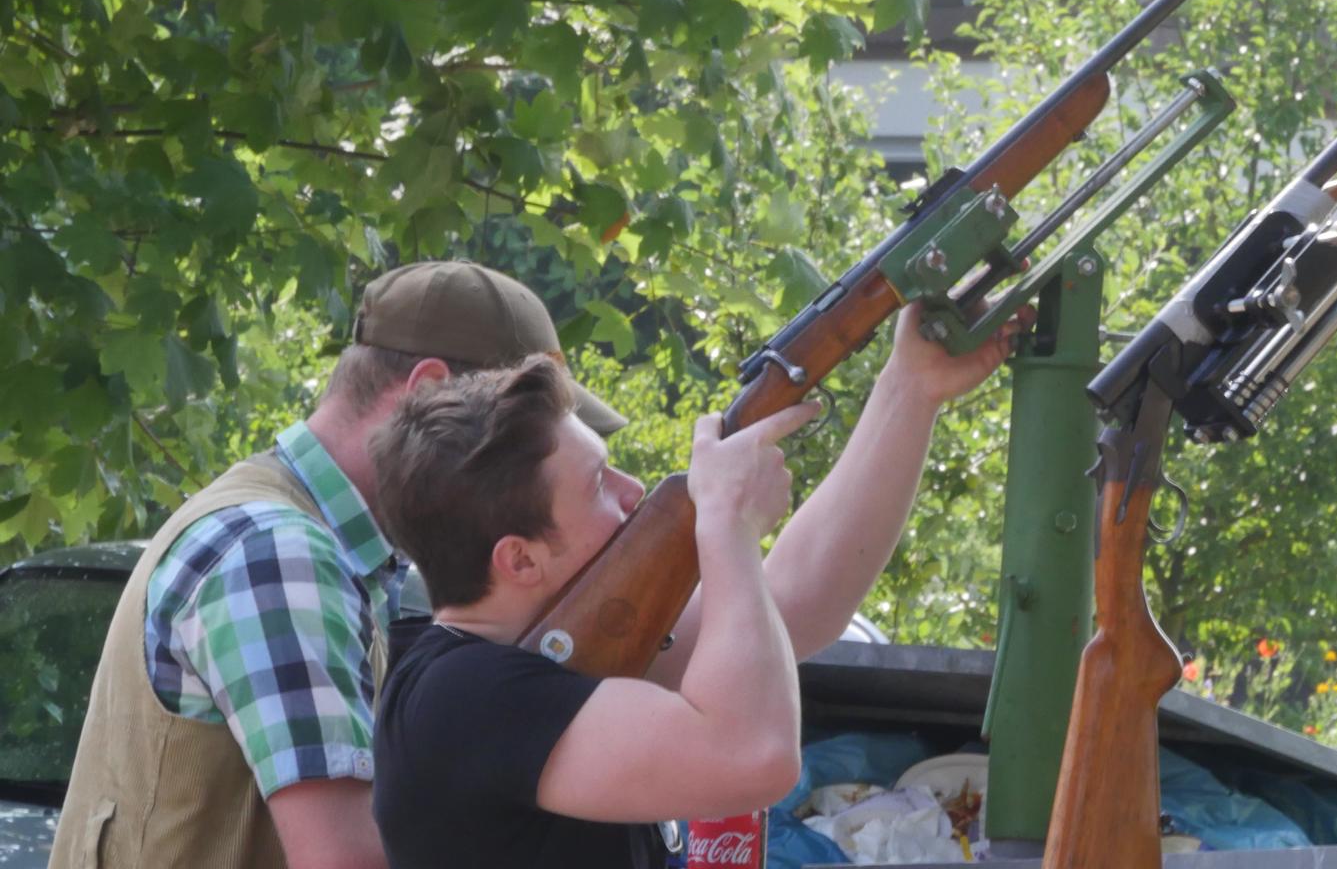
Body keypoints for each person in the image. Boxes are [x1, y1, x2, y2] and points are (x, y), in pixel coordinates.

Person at [366, 304, 1019, 869]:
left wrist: (911, 388)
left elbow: (796, 603)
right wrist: (727, 526)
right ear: (520, 560)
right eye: (598, 485)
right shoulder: (463, 696)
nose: (632, 492)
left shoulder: (537, 658)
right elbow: (752, 756)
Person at [49, 261, 627, 869]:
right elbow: (347, 861)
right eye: (520, 436)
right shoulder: (278, 553)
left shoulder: (310, 539)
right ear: (428, 390)